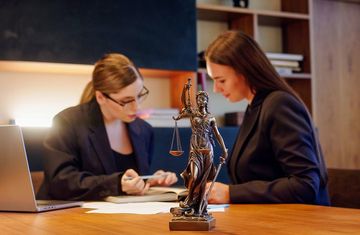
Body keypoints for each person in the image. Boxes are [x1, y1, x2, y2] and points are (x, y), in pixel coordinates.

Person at [204, 30, 330, 205]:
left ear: (244, 71)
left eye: (221, 80)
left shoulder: (279, 104)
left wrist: (231, 193)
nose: (216, 89)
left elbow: (305, 185)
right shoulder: (255, 107)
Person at [37, 53, 177, 201]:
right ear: (101, 97)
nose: (137, 107)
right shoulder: (67, 122)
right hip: (67, 216)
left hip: (122, 216)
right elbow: (61, 181)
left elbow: (130, 179)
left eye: (139, 95)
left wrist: (147, 181)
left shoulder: (144, 130)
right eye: (126, 100)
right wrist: (117, 184)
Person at [173, 79, 228, 216]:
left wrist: (224, 149)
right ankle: (189, 200)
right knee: (194, 176)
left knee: (203, 180)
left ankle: (199, 207)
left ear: (206, 101)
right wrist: (185, 89)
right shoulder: (193, 114)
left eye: (203, 98)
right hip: (195, 150)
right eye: (199, 98)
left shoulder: (211, 118)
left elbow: (218, 135)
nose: (201, 100)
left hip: (208, 151)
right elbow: (185, 103)